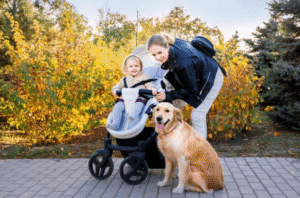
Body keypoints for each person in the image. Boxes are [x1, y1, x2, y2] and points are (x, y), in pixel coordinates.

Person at [147, 34, 226, 139]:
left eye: (160, 52)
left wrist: (167, 95)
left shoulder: (184, 62)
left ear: (167, 47)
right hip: (196, 76)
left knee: (197, 115)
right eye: (153, 54)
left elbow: (192, 90)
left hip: (211, 77)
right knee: (171, 106)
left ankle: (199, 152)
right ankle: (175, 140)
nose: (157, 57)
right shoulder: (170, 53)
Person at [106, 54, 157, 130]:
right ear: (126, 69)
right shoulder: (124, 79)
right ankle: (115, 123)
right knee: (118, 106)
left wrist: (152, 88)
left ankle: (133, 117)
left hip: (139, 98)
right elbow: (117, 86)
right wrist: (115, 90)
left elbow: (149, 85)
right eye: (131, 66)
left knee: (139, 104)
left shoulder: (144, 77)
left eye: (136, 66)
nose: (134, 68)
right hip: (125, 99)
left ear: (141, 67)